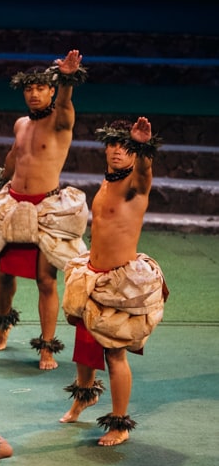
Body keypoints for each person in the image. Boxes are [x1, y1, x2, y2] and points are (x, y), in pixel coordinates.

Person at [59, 117, 168, 446]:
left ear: (134, 153)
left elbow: (146, 173)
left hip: (121, 285)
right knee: (84, 346)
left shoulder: (136, 186)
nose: (119, 151)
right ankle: (85, 396)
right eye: (114, 145)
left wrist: (144, 148)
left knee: (114, 355)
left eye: (126, 147)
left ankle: (119, 424)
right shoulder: (106, 182)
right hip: (93, 276)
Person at [0, 50, 89, 370]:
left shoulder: (60, 121)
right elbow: (15, 154)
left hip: (46, 208)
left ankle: (46, 348)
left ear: (51, 90)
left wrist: (67, 79)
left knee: (45, 279)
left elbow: (67, 104)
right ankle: (3, 324)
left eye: (41, 88)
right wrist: (1, 181)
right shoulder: (21, 124)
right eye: (29, 88)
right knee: (4, 273)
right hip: (14, 204)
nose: (34, 93)